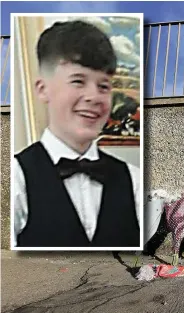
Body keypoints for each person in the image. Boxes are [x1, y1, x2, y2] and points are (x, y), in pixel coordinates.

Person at [13, 20, 141, 248]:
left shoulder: (133, 179)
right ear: (43, 89)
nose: (94, 97)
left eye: (103, 86)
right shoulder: (15, 177)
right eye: (78, 81)